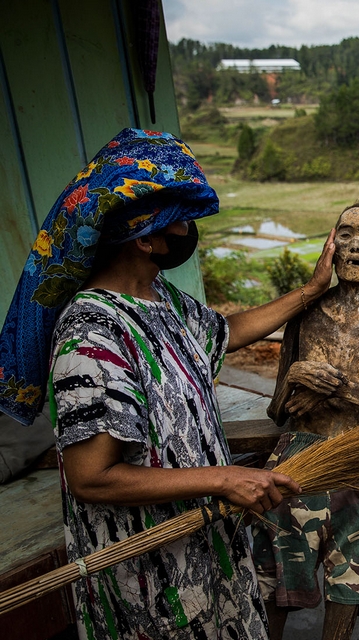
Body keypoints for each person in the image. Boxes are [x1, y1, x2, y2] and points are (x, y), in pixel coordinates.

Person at [0, 128, 336, 639]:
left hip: (203, 546)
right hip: (151, 574)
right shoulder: (92, 333)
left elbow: (226, 332)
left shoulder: (163, 300)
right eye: (180, 218)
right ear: (145, 236)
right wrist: (223, 479)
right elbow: (92, 477)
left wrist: (310, 292)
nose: (188, 229)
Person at [253, 201, 359, 640]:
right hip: (298, 457)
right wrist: (294, 377)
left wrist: (343, 389)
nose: (355, 246)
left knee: (352, 583)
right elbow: (277, 409)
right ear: (330, 249)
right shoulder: (307, 308)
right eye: (345, 234)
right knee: (277, 576)